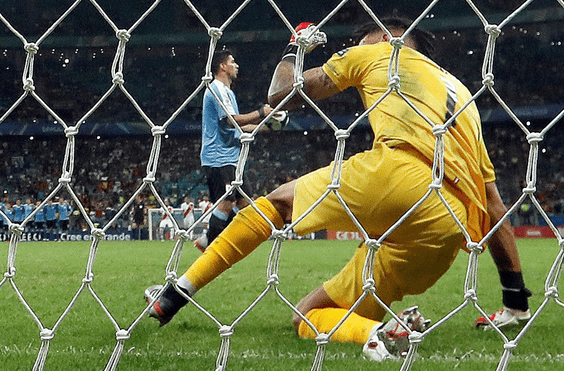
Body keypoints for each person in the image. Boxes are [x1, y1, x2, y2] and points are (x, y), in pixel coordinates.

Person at [146, 17, 531, 361]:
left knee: (278, 203)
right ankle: (378, 332)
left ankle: (177, 292)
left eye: (363, 40)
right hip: (445, 230)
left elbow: (281, 93)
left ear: (384, 36)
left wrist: (295, 46)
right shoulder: (465, 99)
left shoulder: (379, 52)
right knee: (306, 316)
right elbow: (494, 205)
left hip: (398, 175)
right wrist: (515, 298)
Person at [193, 49, 284, 251]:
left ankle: (223, 241)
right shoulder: (216, 88)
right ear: (222, 66)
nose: (237, 65)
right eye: (232, 61)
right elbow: (231, 119)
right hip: (219, 157)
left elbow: (239, 126)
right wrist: (261, 112)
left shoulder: (228, 93)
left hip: (231, 158)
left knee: (246, 205)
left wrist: (267, 124)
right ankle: (210, 244)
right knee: (228, 201)